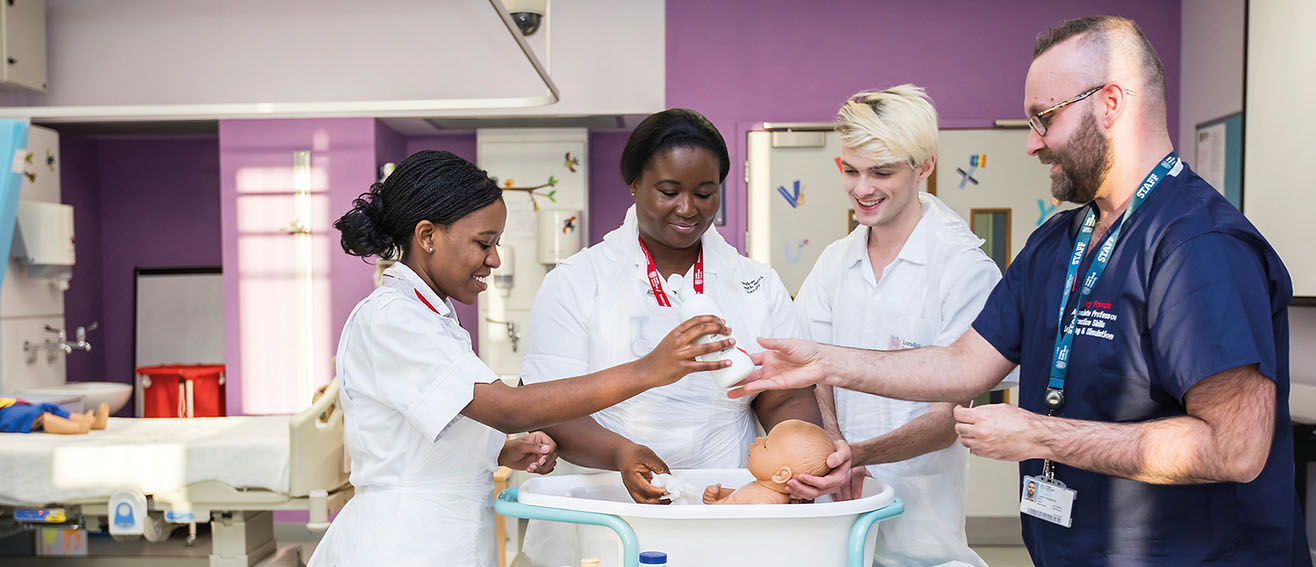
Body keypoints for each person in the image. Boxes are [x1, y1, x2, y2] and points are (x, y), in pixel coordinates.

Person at [735, 16, 1309, 566]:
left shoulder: (1198, 247)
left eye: (1044, 118)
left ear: (1111, 104)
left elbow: (1235, 446)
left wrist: (1040, 434)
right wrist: (823, 360)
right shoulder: (1057, 242)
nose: (1032, 144)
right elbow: (962, 365)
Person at [307, 150, 737, 567]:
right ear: (427, 236)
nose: (493, 259)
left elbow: (421, 435)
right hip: (403, 544)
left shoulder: (430, 315)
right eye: (484, 243)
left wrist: (499, 452)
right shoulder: (392, 317)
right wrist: (649, 370)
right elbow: (509, 409)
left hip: (441, 535)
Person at [517, 109, 849, 565]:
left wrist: (806, 456)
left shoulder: (753, 282)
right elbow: (546, 402)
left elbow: (782, 394)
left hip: (724, 496)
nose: (688, 208)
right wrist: (620, 452)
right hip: (603, 492)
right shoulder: (577, 281)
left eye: (705, 192)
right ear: (634, 184)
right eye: (669, 191)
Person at [794, 84, 1003, 567]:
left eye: (882, 172)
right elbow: (813, 364)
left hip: (922, 523)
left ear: (924, 165)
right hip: (837, 507)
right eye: (851, 170)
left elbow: (949, 414)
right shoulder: (834, 261)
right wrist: (834, 446)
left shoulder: (963, 267)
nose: (862, 189)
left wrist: (860, 454)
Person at [701, 419, 834, 505]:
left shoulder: (764, 502)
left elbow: (735, 521)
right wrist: (721, 494)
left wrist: (715, 506)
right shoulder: (760, 489)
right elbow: (739, 497)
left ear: (781, 475)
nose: (758, 439)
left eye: (765, 446)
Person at [0, 399, 108, 434]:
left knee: (47, 406)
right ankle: (78, 428)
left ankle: (95, 423)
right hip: (4, 415)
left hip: (7, 406)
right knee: (37, 415)